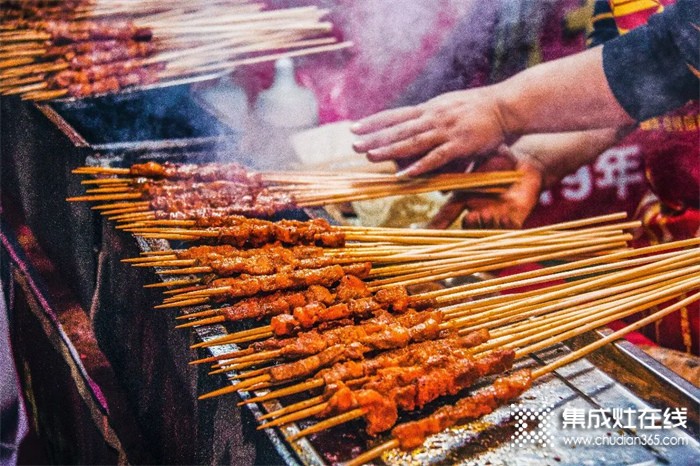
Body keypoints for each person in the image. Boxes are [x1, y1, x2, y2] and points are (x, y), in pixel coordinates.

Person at [351, 0, 699, 355]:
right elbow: (632, 95)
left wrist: (501, 109)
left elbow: (672, 51)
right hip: (669, 255)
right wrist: (535, 161)